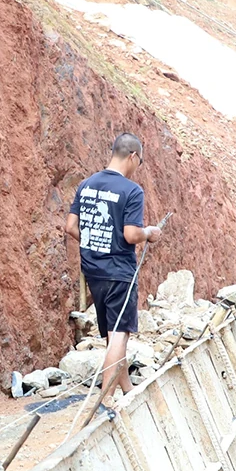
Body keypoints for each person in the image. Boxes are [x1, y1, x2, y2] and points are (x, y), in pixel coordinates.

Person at [65, 133, 164, 410]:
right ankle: (106, 398)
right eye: (139, 162)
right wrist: (150, 233)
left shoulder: (86, 184)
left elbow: (70, 227)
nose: (137, 167)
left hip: (93, 270)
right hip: (119, 271)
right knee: (120, 333)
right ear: (133, 156)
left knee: (112, 331)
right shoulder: (132, 191)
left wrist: (95, 243)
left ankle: (126, 386)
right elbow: (131, 234)